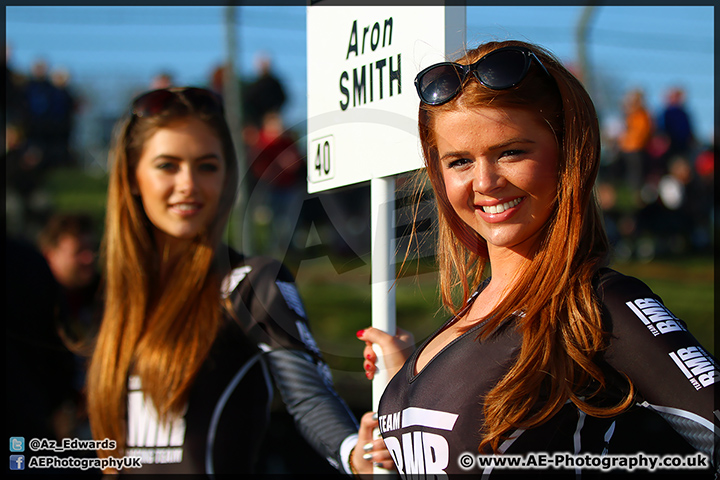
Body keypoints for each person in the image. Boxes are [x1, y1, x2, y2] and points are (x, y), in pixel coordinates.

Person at [358, 40, 718, 477]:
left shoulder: (595, 305)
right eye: (459, 161)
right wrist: (406, 386)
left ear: (567, 151)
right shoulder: (463, 318)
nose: (485, 181)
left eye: (510, 151)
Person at [85, 87, 391, 475]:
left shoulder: (250, 283)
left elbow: (308, 397)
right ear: (131, 176)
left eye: (207, 166)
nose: (189, 184)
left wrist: (352, 452)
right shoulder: (110, 296)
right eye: (168, 165)